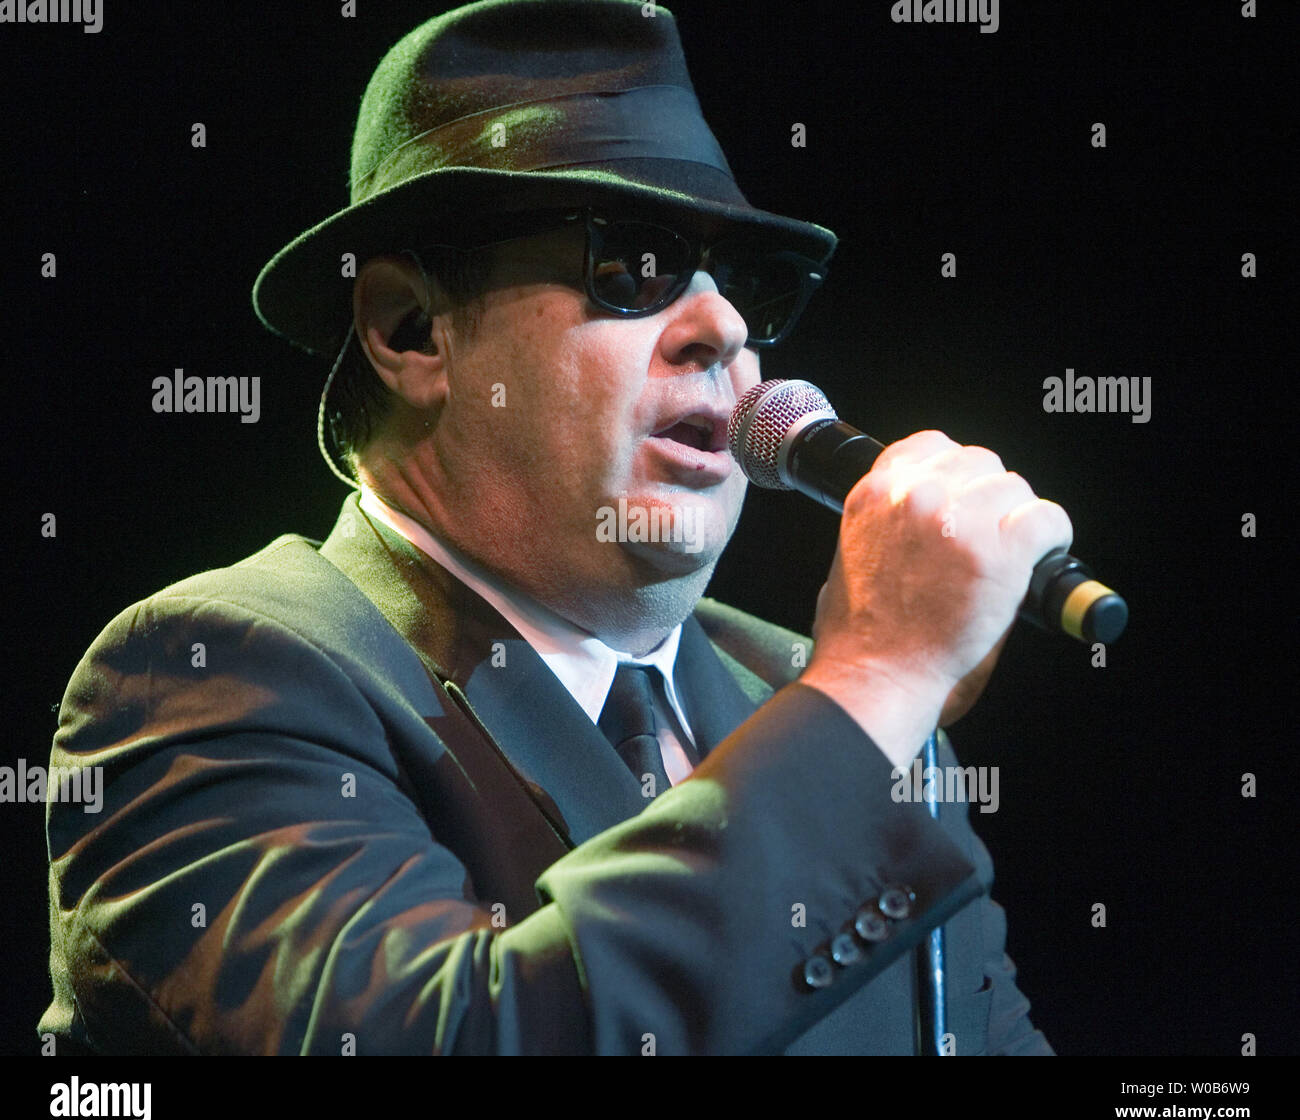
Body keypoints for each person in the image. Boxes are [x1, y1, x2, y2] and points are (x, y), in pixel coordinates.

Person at [40, 0, 1068, 1055]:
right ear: (411, 328)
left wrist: (869, 705)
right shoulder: (215, 673)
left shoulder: (825, 709)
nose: (722, 327)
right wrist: (877, 686)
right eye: (633, 265)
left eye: (752, 287)